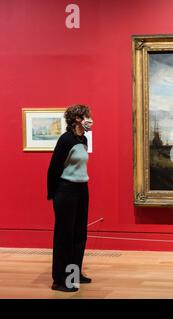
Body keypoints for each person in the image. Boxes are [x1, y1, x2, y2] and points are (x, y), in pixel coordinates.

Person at [47, 104, 94, 292]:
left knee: (79, 234)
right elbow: (54, 168)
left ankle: (74, 274)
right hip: (66, 191)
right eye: (87, 116)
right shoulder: (65, 140)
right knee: (64, 236)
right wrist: (54, 194)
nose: (90, 119)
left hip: (82, 189)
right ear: (77, 119)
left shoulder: (83, 139)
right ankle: (59, 280)